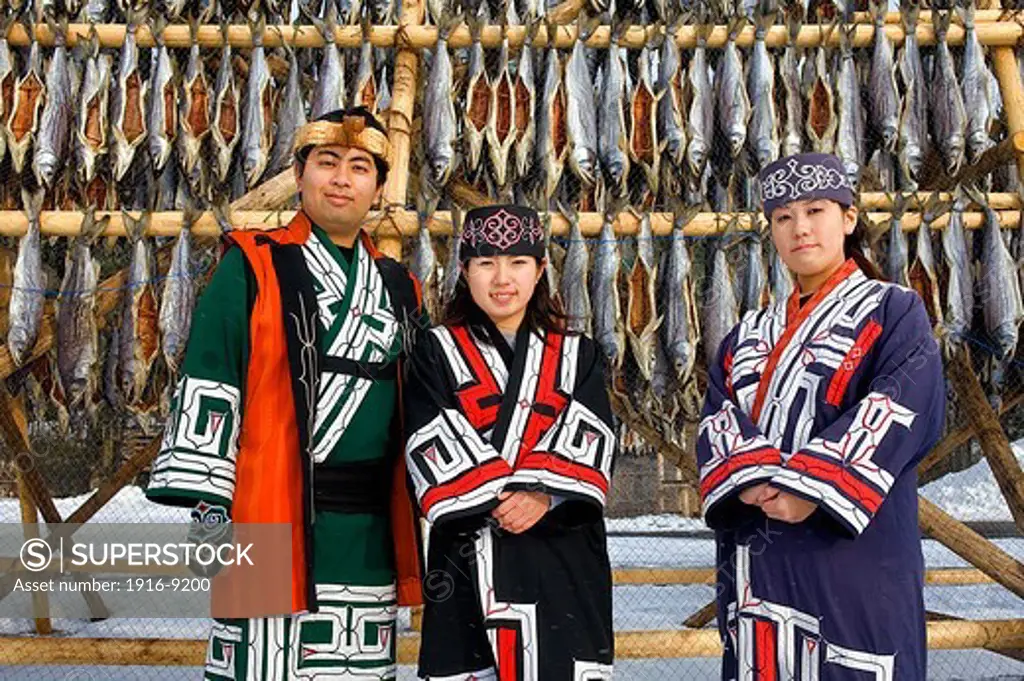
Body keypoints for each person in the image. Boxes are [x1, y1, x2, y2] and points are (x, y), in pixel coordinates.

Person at [146, 107, 426, 680]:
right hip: (267, 513)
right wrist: (209, 506)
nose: (342, 179)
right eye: (327, 163)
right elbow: (210, 378)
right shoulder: (252, 264)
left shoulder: (400, 287)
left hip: (367, 528)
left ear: (378, 186)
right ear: (299, 175)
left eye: (359, 167)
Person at [697, 153, 945, 680]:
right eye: (783, 218)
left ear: (848, 218)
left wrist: (810, 488)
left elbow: (903, 403)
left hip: (853, 552)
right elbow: (717, 414)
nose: (800, 228)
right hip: (757, 553)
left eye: (815, 211)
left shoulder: (893, 311)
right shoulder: (746, 335)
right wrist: (749, 482)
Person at [404, 204, 616, 680]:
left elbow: (596, 434)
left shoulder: (578, 354)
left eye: (518, 262)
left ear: (541, 270)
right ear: (464, 271)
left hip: (561, 552)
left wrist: (543, 494)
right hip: (467, 550)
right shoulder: (434, 350)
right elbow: (426, 434)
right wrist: (503, 496)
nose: (502, 278)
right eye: (485, 263)